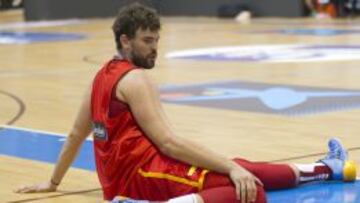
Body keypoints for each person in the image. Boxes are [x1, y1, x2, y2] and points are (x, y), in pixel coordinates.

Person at [15, 3, 356, 203]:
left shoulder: (100, 77)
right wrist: (230, 168)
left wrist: (53, 183)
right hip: (144, 176)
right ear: (125, 40)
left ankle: (329, 168)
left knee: (239, 166)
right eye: (147, 41)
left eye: (156, 40)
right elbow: (169, 142)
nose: (154, 48)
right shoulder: (135, 79)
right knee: (248, 191)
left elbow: (76, 134)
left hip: (122, 181)